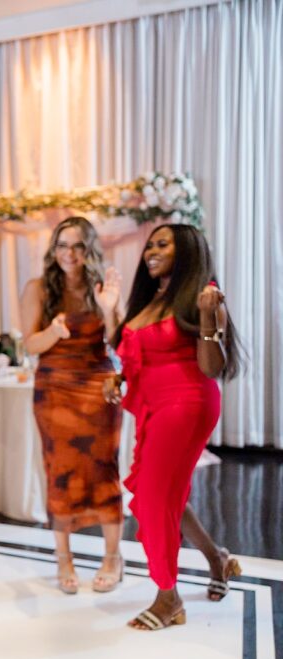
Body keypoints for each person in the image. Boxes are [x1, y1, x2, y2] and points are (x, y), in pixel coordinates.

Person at [107, 223, 243, 630]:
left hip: (187, 403)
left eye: (162, 244)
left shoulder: (204, 299)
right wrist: (117, 380)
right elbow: (132, 353)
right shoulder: (149, 300)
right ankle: (217, 558)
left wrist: (206, 316)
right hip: (152, 406)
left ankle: (169, 598)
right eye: (150, 244)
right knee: (166, 496)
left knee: (153, 497)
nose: (151, 250)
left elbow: (211, 367)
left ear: (187, 251)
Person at [20, 217, 124, 594]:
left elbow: (119, 343)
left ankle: (113, 557)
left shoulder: (103, 287)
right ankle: (63, 557)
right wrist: (53, 332)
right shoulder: (38, 289)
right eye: (63, 245)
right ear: (54, 250)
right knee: (59, 470)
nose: (69, 253)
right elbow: (28, 345)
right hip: (54, 391)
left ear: (89, 249)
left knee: (104, 468)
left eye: (78, 246)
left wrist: (109, 308)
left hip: (98, 388)